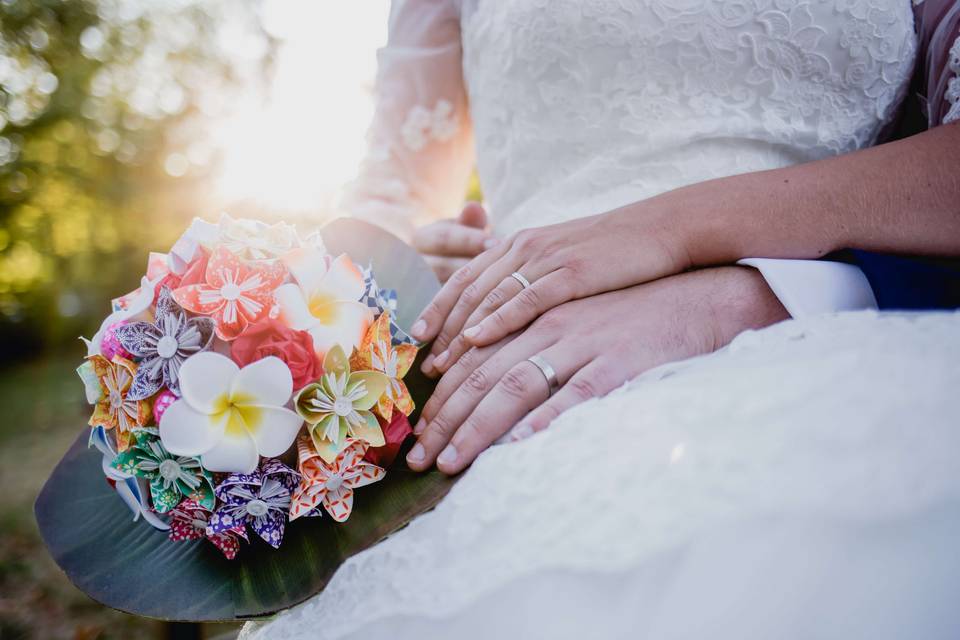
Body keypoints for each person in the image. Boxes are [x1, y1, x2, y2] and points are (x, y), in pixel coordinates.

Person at [242, 1, 960, 638]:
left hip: (832, 342)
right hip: (515, 386)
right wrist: (401, 271)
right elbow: (386, 199)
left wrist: (689, 249)